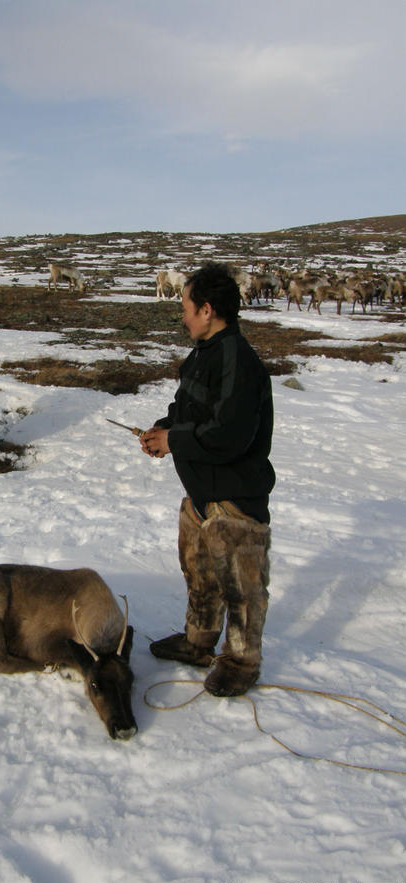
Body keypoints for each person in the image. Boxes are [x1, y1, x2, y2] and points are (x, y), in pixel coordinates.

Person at [140, 262, 275, 696]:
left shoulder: (239, 359)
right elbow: (188, 412)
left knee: (240, 585)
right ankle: (199, 643)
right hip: (200, 493)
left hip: (233, 496)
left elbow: (230, 435)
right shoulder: (203, 354)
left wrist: (175, 440)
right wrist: (162, 431)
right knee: (199, 573)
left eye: (186, 306)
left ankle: (240, 662)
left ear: (207, 310)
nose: (182, 315)